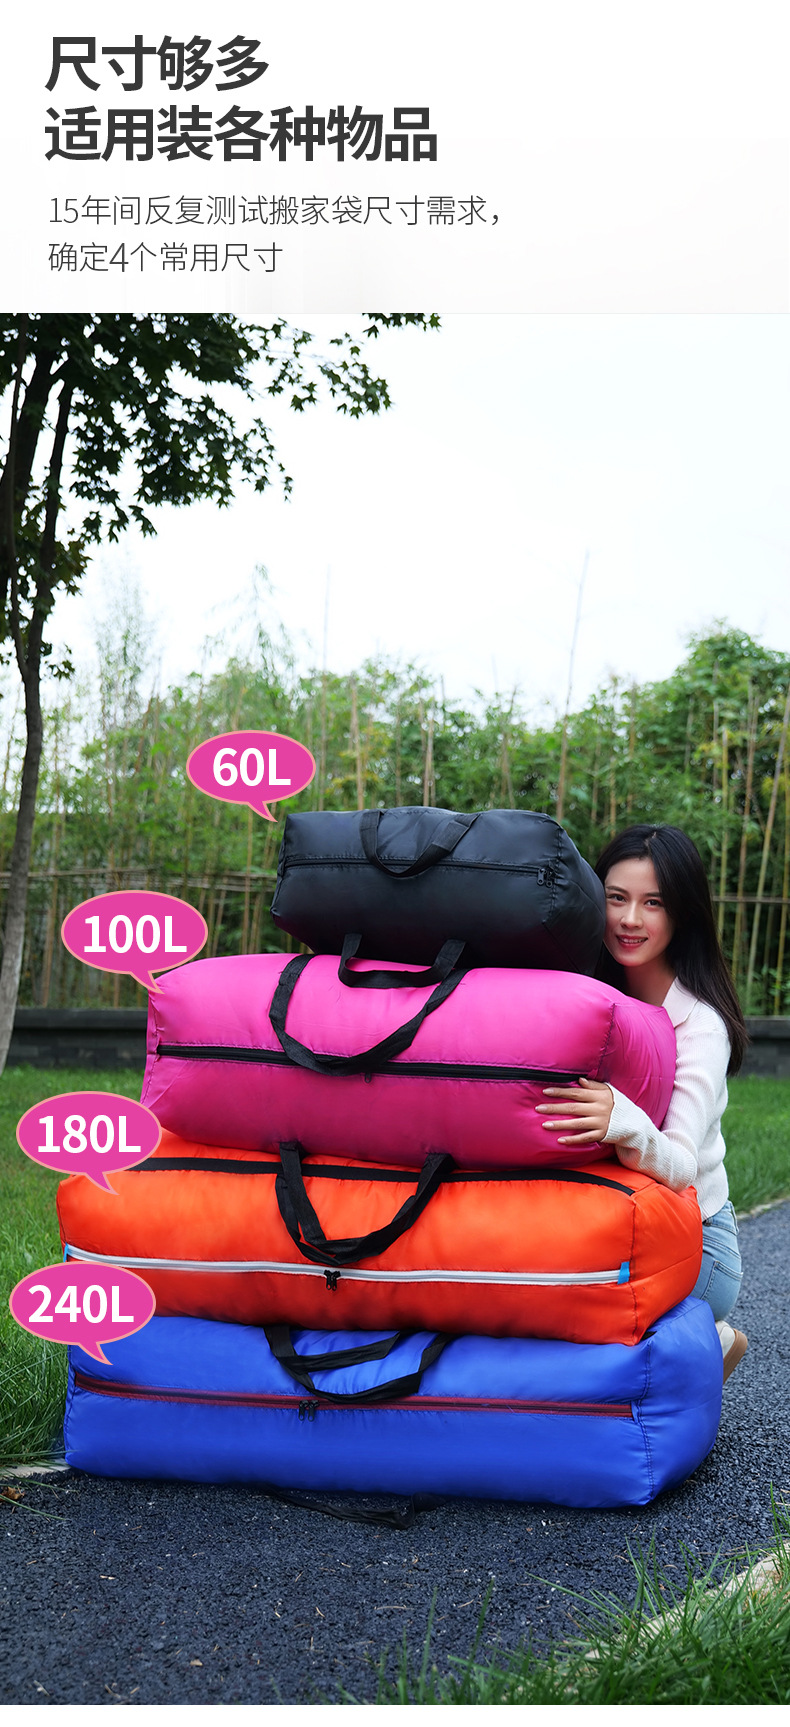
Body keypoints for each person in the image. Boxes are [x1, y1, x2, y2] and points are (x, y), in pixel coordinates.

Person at [535, 823, 749, 1383]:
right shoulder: (582, 989)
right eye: (616, 898)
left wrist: (620, 1118)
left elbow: (681, 1164)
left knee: (579, 1315)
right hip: (611, 1215)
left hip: (698, 1241)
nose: (630, 919)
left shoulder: (702, 1025)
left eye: (653, 903)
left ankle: (708, 1339)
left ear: (682, 914)